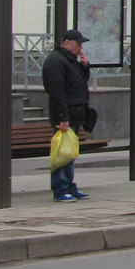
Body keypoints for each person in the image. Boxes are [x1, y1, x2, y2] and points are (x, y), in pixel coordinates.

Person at [41, 28, 92, 202]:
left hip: (74, 113)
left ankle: (69, 186)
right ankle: (60, 189)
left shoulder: (71, 61)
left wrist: (85, 68)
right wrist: (63, 117)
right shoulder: (56, 61)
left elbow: (79, 82)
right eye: (79, 44)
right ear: (68, 43)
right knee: (62, 154)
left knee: (70, 153)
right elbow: (57, 91)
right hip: (64, 116)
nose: (81, 49)